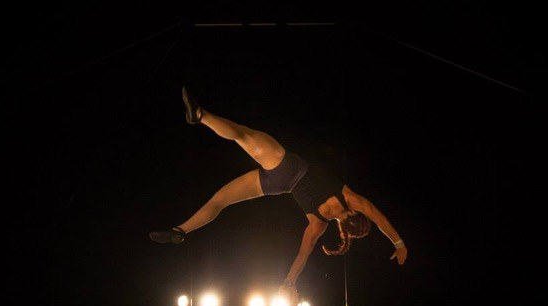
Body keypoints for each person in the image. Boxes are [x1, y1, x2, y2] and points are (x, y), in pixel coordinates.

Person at [150, 87, 408, 288]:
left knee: (242, 134)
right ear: (345, 229)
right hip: (277, 185)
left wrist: (399, 243)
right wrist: (289, 283)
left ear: (355, 214)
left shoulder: (350, 199)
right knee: (220, 201)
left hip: (284, 165)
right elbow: (302, 257)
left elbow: (378, 216)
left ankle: (200, 115)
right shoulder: (319, 225)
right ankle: (180, 231)